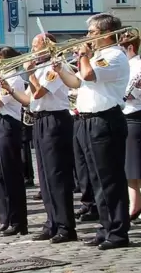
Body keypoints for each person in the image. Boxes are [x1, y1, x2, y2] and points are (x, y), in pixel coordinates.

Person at [54, 14, 130, 249]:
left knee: (110, 178)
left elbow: (89, 75)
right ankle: (105, 227)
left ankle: (118, 232)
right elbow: (77, 82)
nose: (88, 37)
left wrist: (84, 55)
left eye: (92, 33)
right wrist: (59, 69)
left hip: (105, 120)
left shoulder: (114, 56)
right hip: (86, 121)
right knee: (95, 178)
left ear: (106, 34)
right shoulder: (97, 57)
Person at [8, 33, 76, 243]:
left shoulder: (55, 67)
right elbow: (28, 100)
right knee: (45, 177)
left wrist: (29, 73)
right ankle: (52, 222)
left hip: (55, 120)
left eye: (35, 46)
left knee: (57, 174)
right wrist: (9, 90)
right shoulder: (39, 70)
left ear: (47, 47)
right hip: (39, 119)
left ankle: (66, 226)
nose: (32, 51)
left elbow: (39, 93)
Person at [0, 47, 28, 236]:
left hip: (8, 124)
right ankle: (5, 219)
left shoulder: (15, 80)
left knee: (10, 173)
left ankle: (17, 220)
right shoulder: (0, 80)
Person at [120, 29, 141, 223]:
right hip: (126, 116)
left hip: (136, 116)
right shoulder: (124, 65)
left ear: (131, 48)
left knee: (136, 166)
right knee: (130, 168)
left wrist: (134, 92)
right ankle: (134, 205)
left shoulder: (138, 66)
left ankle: (135, 206)